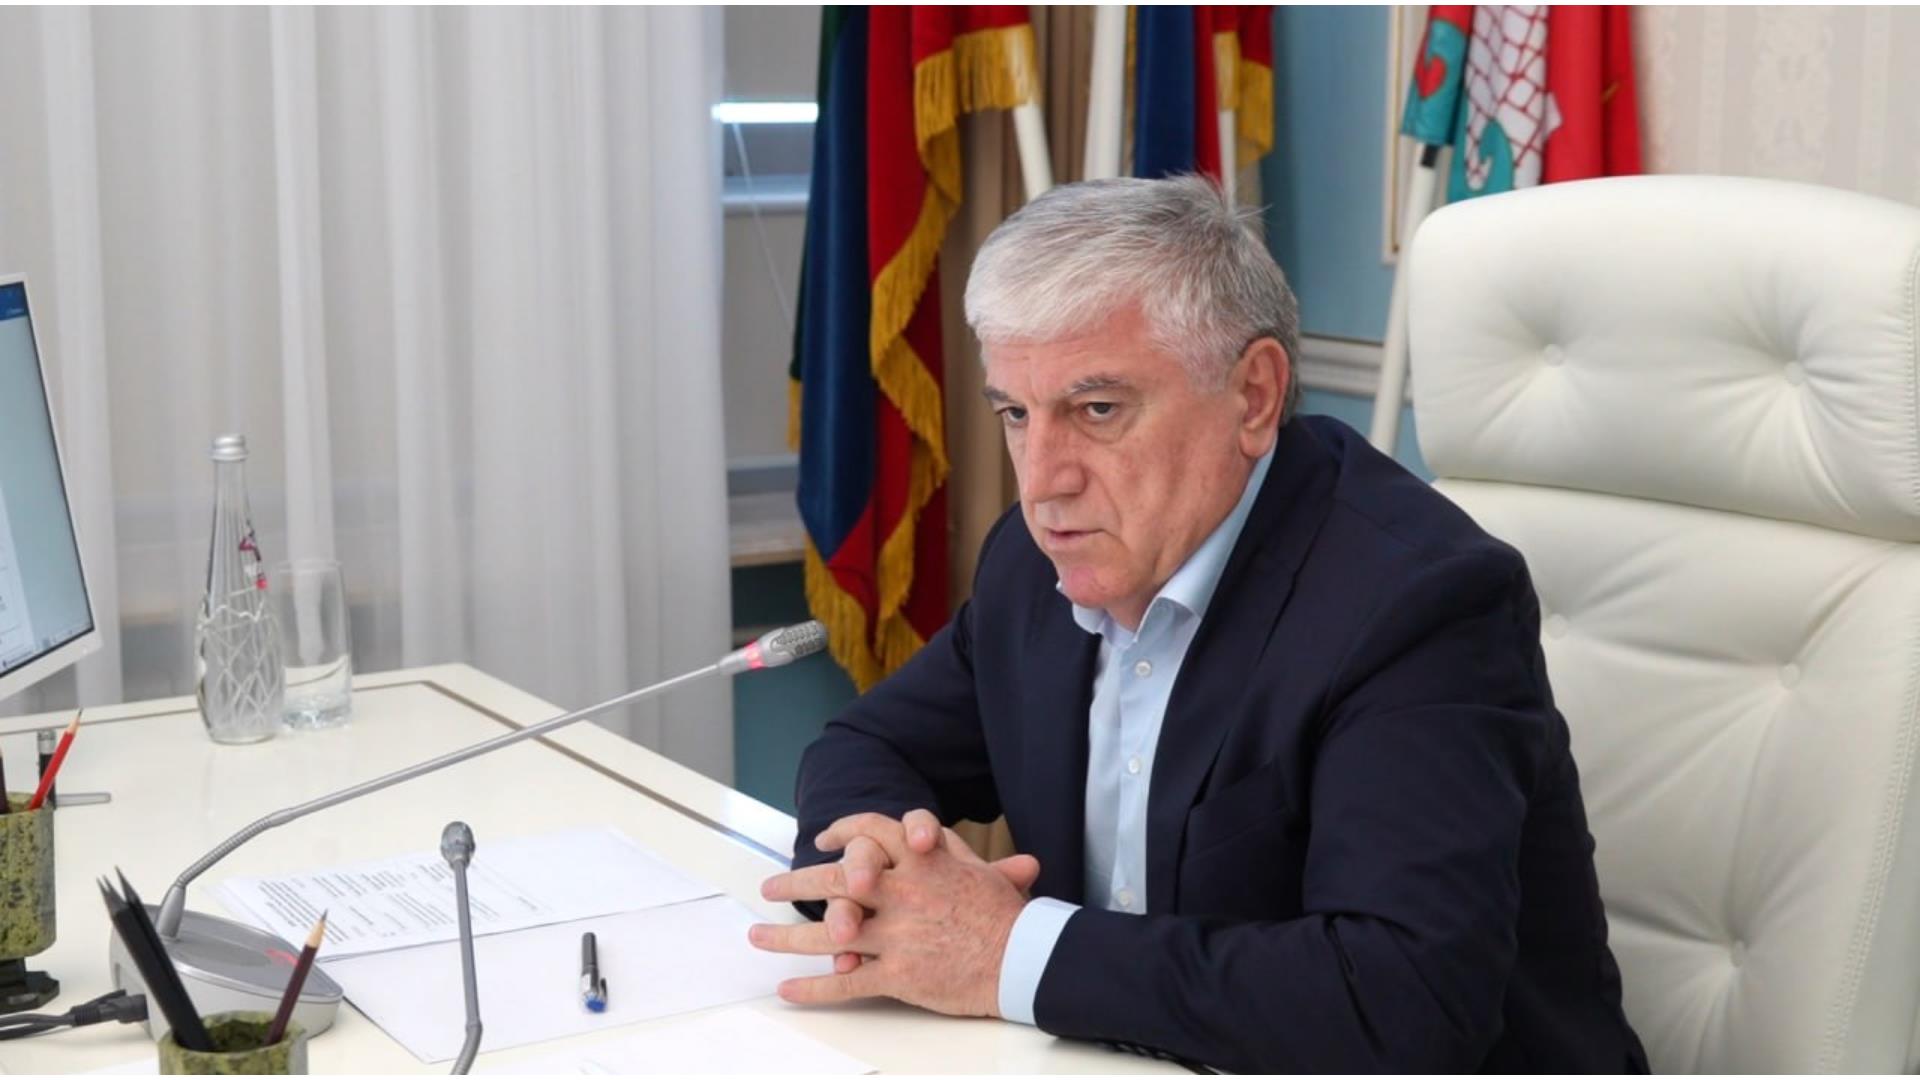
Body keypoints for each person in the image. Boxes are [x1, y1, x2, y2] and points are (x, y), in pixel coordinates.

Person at [748, 175, 1647, 1073]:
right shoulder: (1037, 560)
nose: (1044, 481)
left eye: (1097, 410)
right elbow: (869, 745)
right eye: (1016, 414)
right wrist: (873, 870)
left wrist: (1006, 952)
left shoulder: (1418, 605)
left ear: (1253, 396)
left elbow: (1401, 1001)